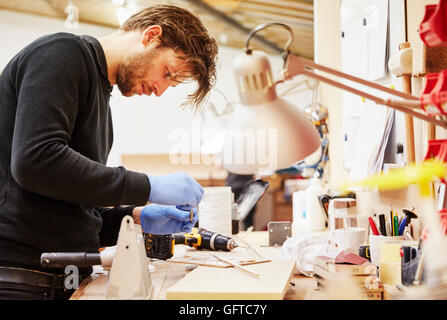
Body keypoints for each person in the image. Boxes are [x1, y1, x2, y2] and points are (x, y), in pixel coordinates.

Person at [0, 5, 218, 300]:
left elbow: (75, 209)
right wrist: (148, 186)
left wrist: (136, 217)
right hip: (21, 279)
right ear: (151, 36)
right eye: (167, 73)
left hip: (66, 276)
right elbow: (36, 161)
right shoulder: (62, 54)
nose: (160, 90)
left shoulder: (102, 101)